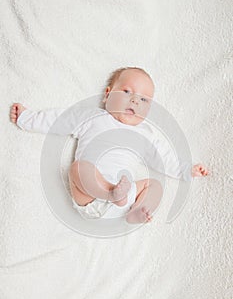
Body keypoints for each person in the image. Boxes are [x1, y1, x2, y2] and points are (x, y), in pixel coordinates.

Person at [10, 67, 209, 223]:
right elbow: (59, 120)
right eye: (127, 91)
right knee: (78, 168)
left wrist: (185, 170)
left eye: (143, 99)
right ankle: (110, 192)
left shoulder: (145, 134)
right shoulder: (92, 118)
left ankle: (137, 212)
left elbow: (162, 157)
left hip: (125, 198)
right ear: (107, 94)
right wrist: (27, 118)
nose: (134, 100)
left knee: (153, 185)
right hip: (90, 196)